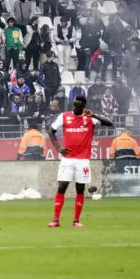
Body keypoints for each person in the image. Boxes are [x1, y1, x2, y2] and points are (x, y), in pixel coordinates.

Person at [47, 95, 113, 228]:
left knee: (80, 189)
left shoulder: (90, 118)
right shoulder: (64, 116)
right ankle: (56, 220)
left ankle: (76, 220)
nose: (75, 108)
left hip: (83, 160)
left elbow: (109, 123)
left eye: (78, 105)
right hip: (67, 159)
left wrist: (94, 115)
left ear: (83, 106)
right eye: (74, 105)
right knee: (62, 186)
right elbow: (51, 131)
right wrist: (58, 148)